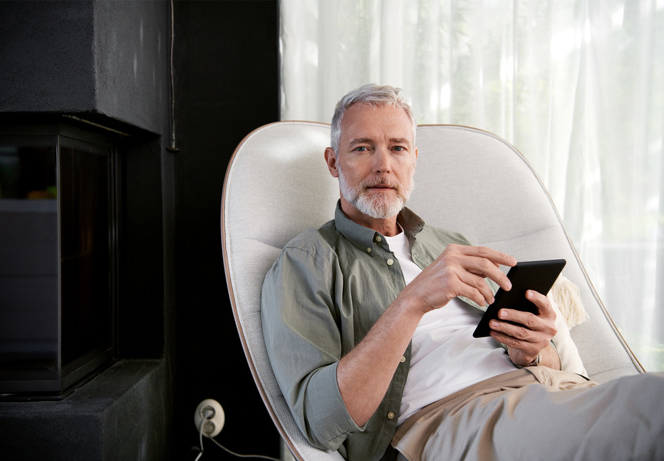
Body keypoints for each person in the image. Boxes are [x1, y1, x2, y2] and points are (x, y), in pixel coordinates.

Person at [260, 84, 663, 461]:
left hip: (554, 392)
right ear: (334, 162)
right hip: (452, 420)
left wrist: (534, 351)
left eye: (398, 148)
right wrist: (412, 301)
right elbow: (318, 420)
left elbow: (540, 359)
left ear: (414, 160)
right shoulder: (307, 259)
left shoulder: (446, 242)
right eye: (363, 148)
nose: (383, 166)